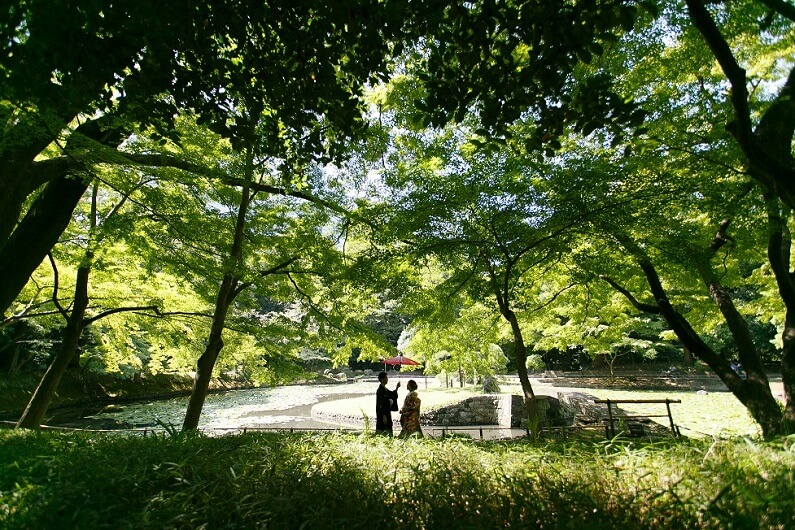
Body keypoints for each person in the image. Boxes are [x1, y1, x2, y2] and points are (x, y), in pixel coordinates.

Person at [375, 371, 400, 435]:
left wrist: (397, 388)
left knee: (388, 427)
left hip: (387, 412)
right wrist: (383, 416)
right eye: (386, 378)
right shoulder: (380, 391)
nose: (387, 379)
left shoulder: (385, 389)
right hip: (383, 413)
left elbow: (392, 395)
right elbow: (380, 404)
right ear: (382, 379)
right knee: (383, 429)